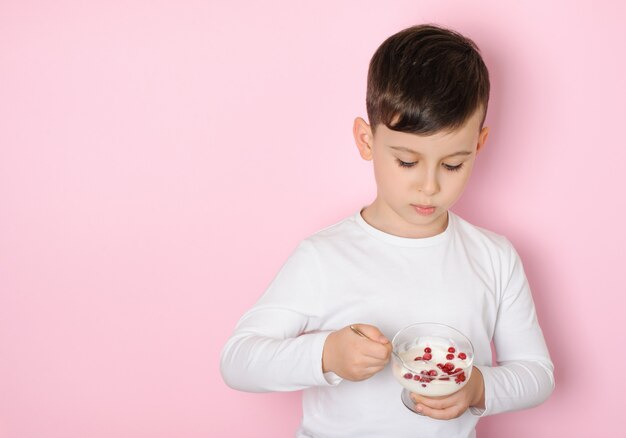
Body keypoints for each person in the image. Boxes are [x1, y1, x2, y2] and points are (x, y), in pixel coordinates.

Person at [220, 23, 554, 437]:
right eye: (407, 162)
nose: (429, 186)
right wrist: (326, 355)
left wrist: (479, 387)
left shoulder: (495, 258)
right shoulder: (324, 256)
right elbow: (238, 360)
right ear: (366, 140)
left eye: (453, 164)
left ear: (479, 145)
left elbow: (537, 373)